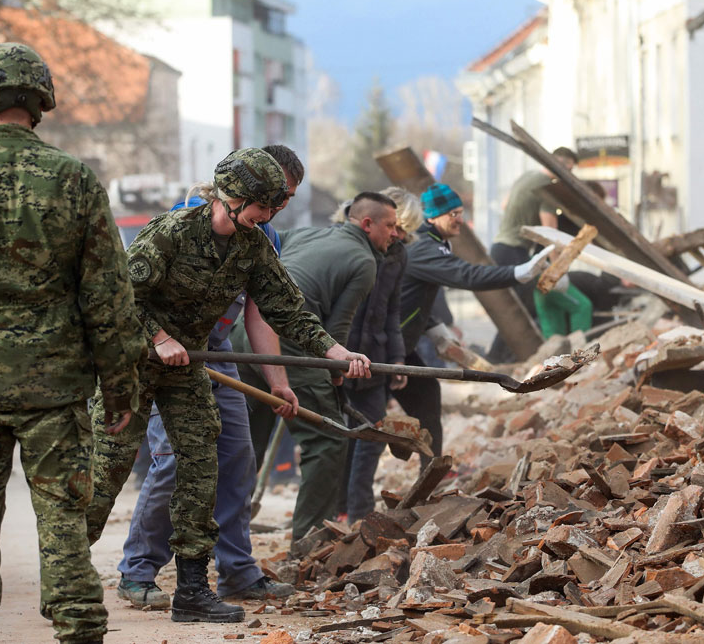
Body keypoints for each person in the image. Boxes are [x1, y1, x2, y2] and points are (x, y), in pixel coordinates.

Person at [86, 147, 371, 624]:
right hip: (132, 365)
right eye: (261, 207)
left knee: (202, 468)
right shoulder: (172, 232)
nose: (267, 217)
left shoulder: (253, 245)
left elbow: (284, 308)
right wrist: (159, 337)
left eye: (274, 209)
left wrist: (333, 351)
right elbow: (117, 296)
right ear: (232, 198)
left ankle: (192, 591)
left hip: (189, 367)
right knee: (107, 472)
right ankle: (67, 574)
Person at [0, 42, 145, 644]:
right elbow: (108, 296)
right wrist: (120, 387)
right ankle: (79, 627)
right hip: (56, 388)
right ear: (38, 104)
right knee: (63, 517)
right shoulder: (75, 179)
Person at [116, 145, 306, 610]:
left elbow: (260, 315)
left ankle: (238, 572)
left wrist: (277, 380)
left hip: (215, 352)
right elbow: (128, 296)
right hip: (164, 355)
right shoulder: (185, 222)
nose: (276, 208)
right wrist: (161, 339)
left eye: (285, 199)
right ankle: (137, 571)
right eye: (272, 197)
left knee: (237, 460)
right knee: (174, 462)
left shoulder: (263, 236)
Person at [234, 192, 398, 545]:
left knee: (247, 444)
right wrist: (336, 373)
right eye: (390, 226)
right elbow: (337, 329)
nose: (395, 234)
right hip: (290, 342)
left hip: (242, 333)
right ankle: (310, 543)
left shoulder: (309, 233)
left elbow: (272, 249)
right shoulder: (364, 262)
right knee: (327, 440)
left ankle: (227, 539)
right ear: (367, 224)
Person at [395, 183, 553, 466]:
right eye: (453, 214)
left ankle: (432, 472)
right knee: (367, 421)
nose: (460, 219)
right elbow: (466, 275)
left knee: (427, 399)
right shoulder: (423, 246)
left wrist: (435, 330)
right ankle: (355, 495)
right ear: (432, 216)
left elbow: (413, 296)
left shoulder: (431, 241)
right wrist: (518, 273)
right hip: (384, 344)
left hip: (399, 343)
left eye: (461, 212)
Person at [338, 188, 423, 523]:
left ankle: (360, 514)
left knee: (372, 434)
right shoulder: (344, 246)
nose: (397, 235)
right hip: (336, 356)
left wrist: (397, 358)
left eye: (402, 229)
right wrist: (332, 355)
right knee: (338, 438)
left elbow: (391, 310)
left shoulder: (397, 255)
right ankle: (334, 510)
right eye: (393, 227)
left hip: (372, 360)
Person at [487, 147, 578, 362]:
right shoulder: (548, 188)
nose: (569, 175)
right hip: (514, 250)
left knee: (513, 309)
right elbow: (550, 233)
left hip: (500, 247)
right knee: (523, 311)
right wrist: (558, 270)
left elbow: (505, 204)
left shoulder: (527, 176)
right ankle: (501, 358)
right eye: (569, 170)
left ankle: (498, 357)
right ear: (561, 165)